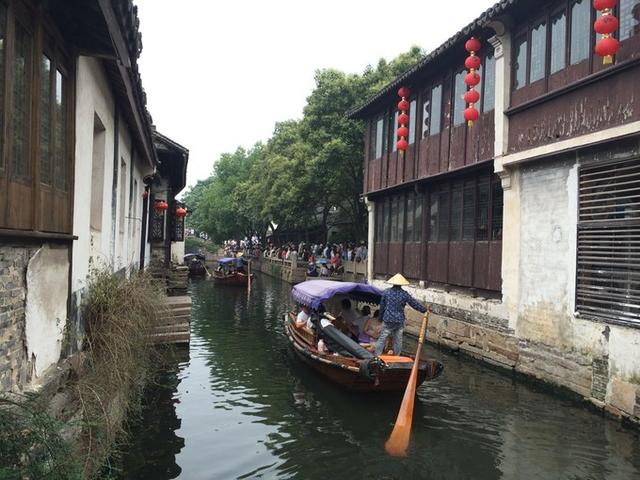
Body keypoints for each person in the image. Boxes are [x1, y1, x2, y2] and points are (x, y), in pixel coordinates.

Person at [374, 273, 427, 356]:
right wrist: (424, 310)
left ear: (393, 283)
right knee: (398, 339)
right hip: (399, 320)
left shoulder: (386, 292)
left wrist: (380, 318)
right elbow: (414, 304)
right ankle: (397, 357)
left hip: (388, 319)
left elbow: (382, 307)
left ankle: (377, 356)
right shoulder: (404, 294)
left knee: (382, 338)